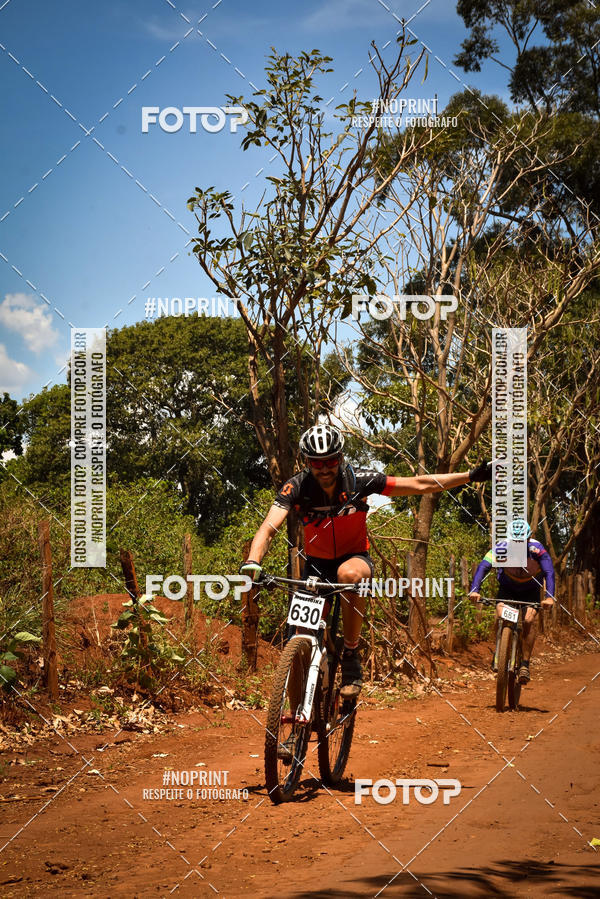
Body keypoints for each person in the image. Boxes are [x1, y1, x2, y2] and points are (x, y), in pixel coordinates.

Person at [241, 423, 492, 698]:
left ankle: (350, 652)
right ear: (307, 462)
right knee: (295, 645)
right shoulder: (296, 487)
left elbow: (420, 484)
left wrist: (471, 475)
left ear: (341, 458)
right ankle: (292, 727)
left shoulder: (360, 481)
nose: (324, 468)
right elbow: (268, 528)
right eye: (316, 463)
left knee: (349, 576)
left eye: (331, 461)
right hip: (315, 565)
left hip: (354, 557)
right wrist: (253, 562)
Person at [468, 519, 556, 683]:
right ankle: (500, 649)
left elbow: (549, 572)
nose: (517, 545)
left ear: (529, 539)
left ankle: (524, 664)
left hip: (530, 591)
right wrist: (475, 590)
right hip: (507, 589)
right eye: (514, 542)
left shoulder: (538, 550)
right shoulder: (501, 547)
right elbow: (483, 567)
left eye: (521, 542)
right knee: (501, 614)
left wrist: (549, 597)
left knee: (529, 620)